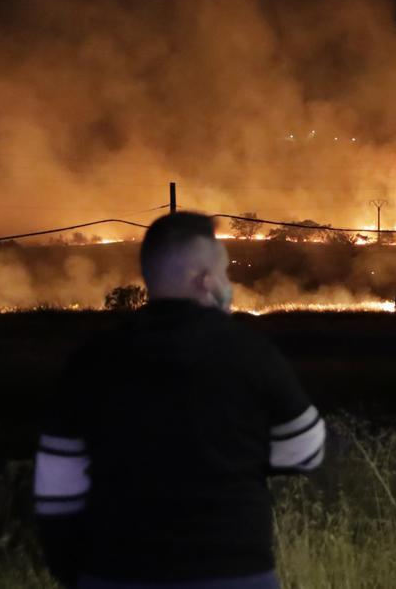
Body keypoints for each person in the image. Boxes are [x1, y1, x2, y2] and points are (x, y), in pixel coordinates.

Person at [33, 212, 325, 589]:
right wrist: (243, 454)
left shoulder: (91, 360)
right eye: (224, 273)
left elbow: (56, 488)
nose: (227, 284)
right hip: (234, 574)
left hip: (116, 572)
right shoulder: (251, 353)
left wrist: (76, 572)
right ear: (206, 281)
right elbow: (307, 451)